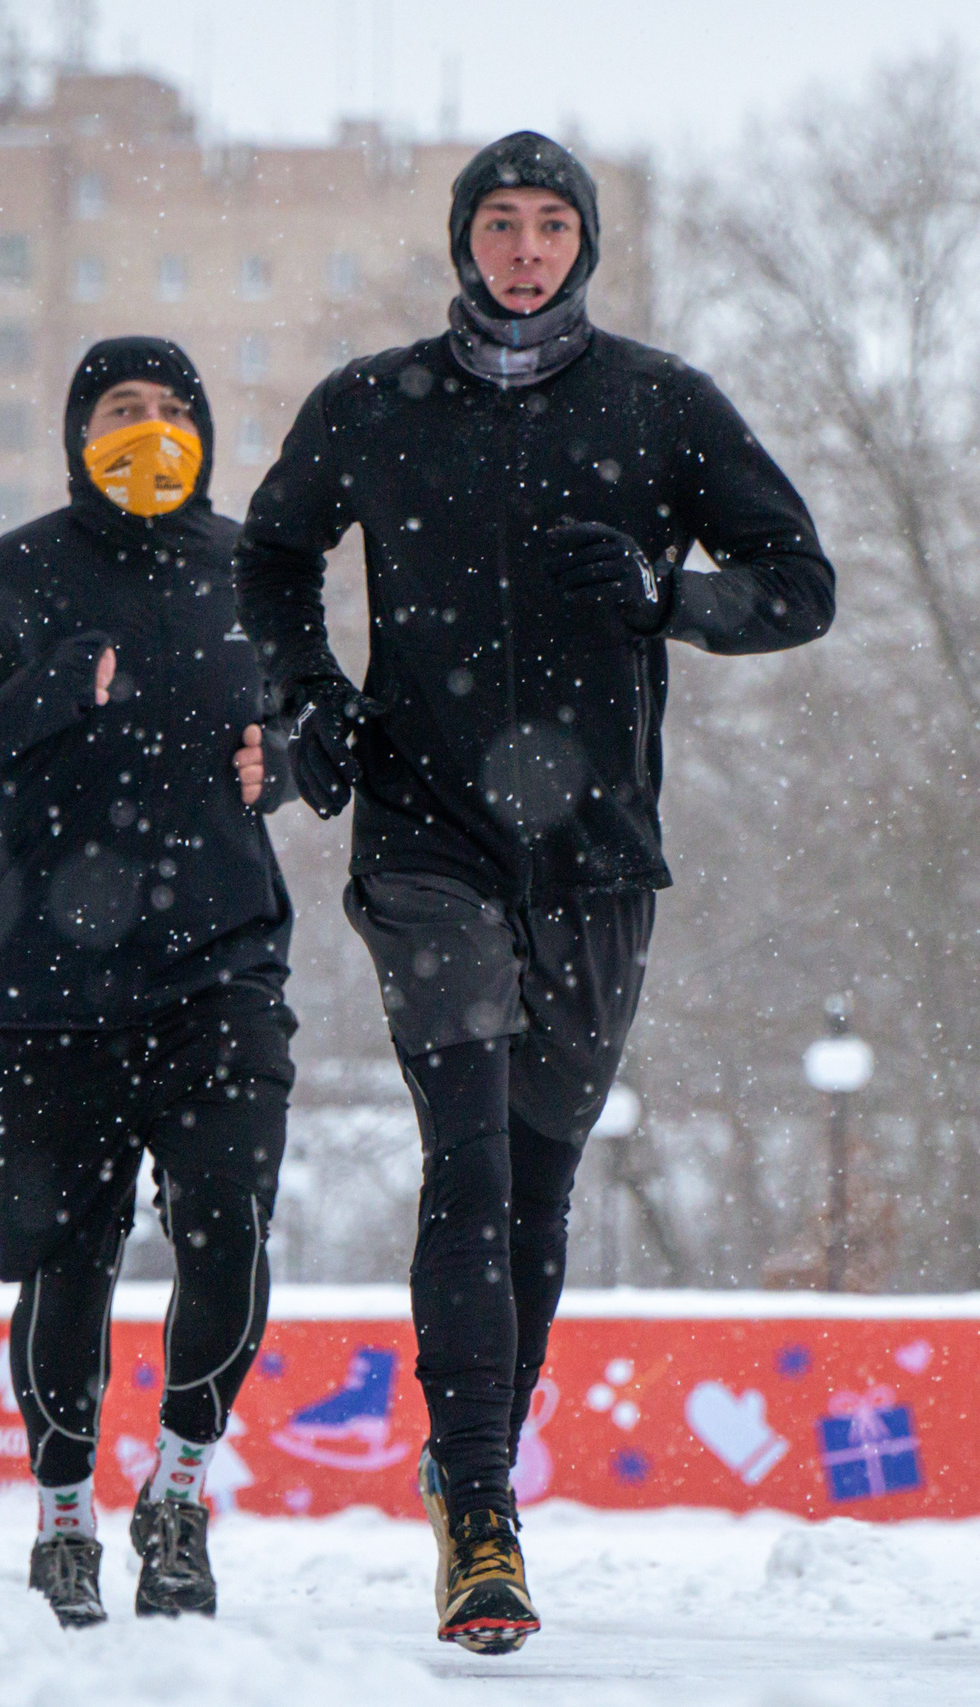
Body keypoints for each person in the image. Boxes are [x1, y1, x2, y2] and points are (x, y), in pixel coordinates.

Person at [234, 132, 835, 1653]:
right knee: (470, 1160)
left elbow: (800, 585)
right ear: (462, 240)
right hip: (425, 838)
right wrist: (309, 691)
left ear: (583, 245)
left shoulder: (661, 404)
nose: (522, 249)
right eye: (497, 223)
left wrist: (666, 597)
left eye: (549, 224)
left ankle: (469, 1460)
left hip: (598, 855)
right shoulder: (373, 403)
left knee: (537, 1186)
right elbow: (272, 557)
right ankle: (486, 1508)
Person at [0, 337, 296, 1630]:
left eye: (174, 409)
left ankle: (179, 1491)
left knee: (229, 1226)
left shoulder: (254, 569)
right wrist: (46, 691)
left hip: (222, 970)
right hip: (47, 992)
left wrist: (288, 759)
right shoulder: (18, 574)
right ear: (79, 433)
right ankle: (64, 1515)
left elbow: (334, 725)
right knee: (70, 1268)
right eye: (123, 409)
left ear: (206, 433)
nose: (151, 429)